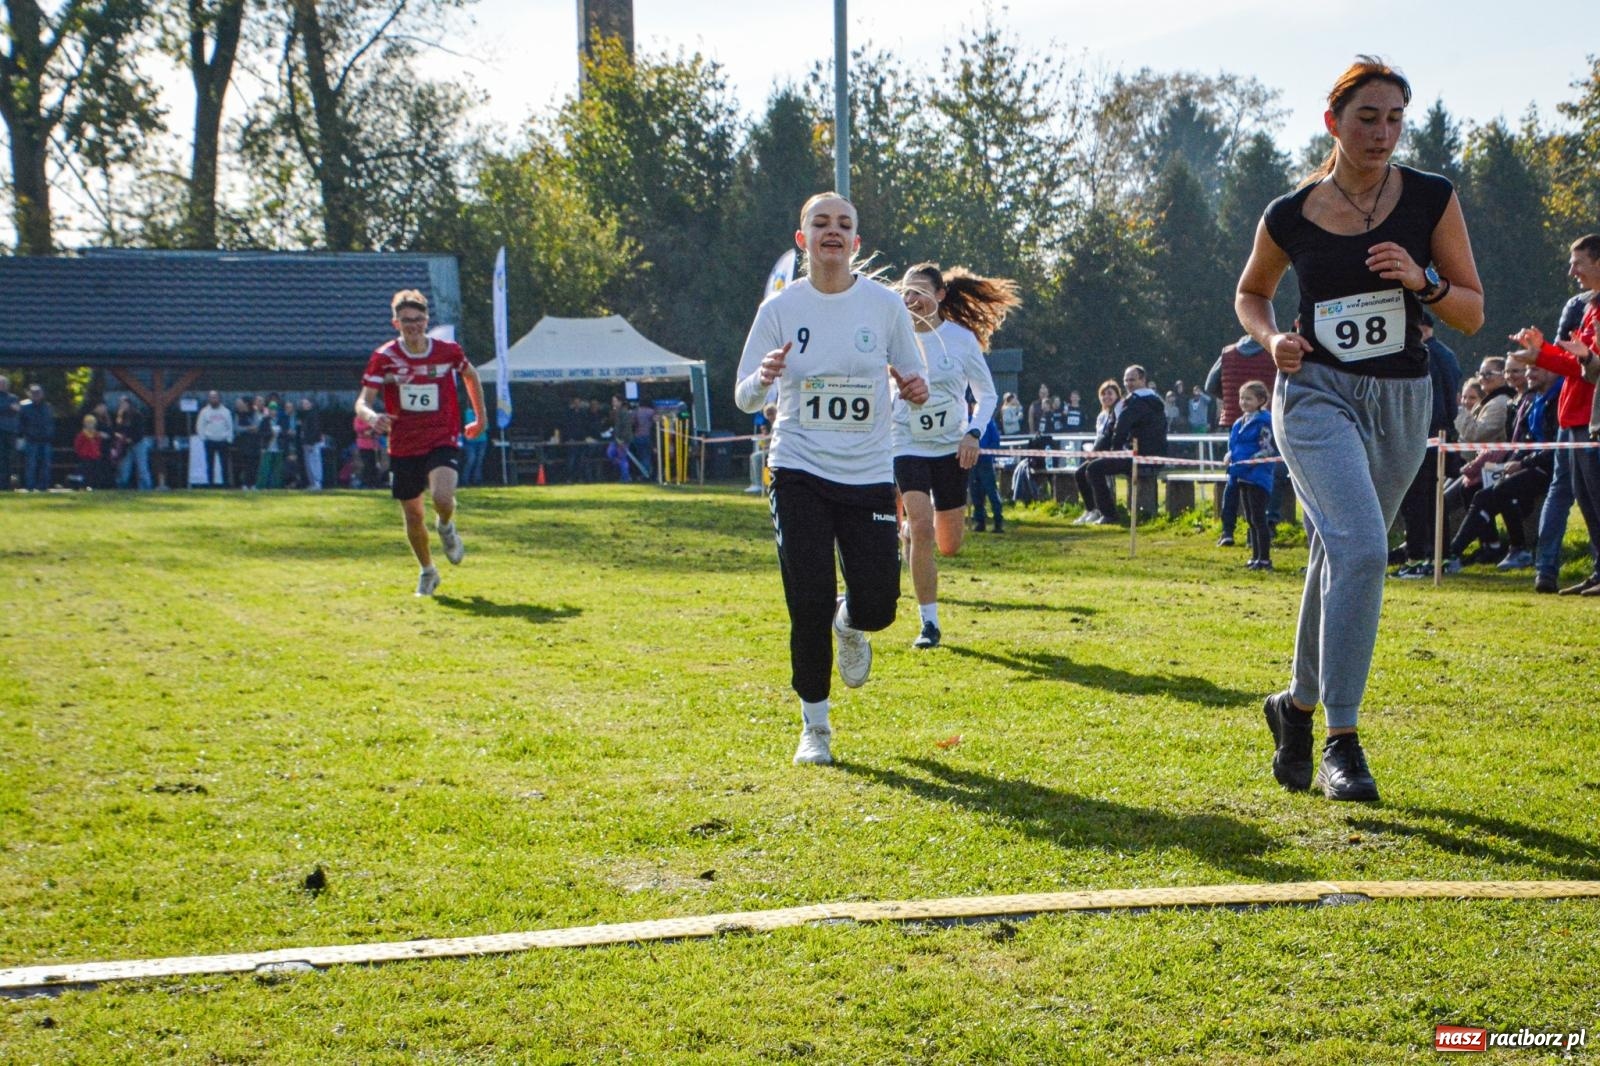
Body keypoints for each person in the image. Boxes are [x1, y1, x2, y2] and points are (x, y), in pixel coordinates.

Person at [1236, 56, 1483, 802]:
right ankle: (1343, 739)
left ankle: (1296, 709)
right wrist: (1272, 339)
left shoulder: (1432, 199)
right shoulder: (1290, 212)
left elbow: (1470, 311)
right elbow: (1252, 292)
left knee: (1336, 552)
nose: (1382, 133)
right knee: (1362, 546)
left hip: (1402, 398)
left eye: (1394, 118)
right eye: (1367, 117)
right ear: (1332, 122)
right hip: (1315, 395)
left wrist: (1422, 281)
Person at [733, 191, 928, 766]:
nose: (832, 232)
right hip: (798, 470)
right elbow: (744, 396)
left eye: (844, 224)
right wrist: (765, 377)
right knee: (807, 597)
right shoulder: (780, 310)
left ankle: (852, 623)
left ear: (856, 242)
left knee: (878, 606)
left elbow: (912, 377)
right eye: (821, 223)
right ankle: (814, 726)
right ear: (804, 240)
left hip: (868, 473)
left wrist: (914, 389)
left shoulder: (884, 307)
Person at [893, 261, 1016, 650]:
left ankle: (912, 531)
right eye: (906, 292)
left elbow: (987, 394)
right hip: (906, 442)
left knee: (949, 544)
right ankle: (929, 624)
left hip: (950, 447)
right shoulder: (892, 337)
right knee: (923, 526)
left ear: (940, 295)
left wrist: (973, 434)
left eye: (919, 292)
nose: (911, 299)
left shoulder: (960, 339)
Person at [356, 290, 486, 596]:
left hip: (442, 435)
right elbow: (362, 402)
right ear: (395, 323)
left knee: (443, 496)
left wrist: (480, 419)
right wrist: (372, 417)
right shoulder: (384, 357)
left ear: (426, 320)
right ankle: (428, 571)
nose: (412, 326)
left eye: (417, 320)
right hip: (404, 443)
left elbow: (471, 376)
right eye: (406, 321)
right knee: (413, 514)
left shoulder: (447, 351)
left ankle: (446, 526)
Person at [1512, 234, 1600, 595]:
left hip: (1590, 416)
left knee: (1595, 497)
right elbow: (1577, 362)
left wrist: (1550, 355)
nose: (1571, 271)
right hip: (1575, 416)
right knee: (1586, 498)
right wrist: (1541, 354)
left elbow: (1588, 365)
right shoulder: (1589, 307)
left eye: (1577, 262)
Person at [1389, 311, 1464, 574]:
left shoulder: (1420, 354)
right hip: (1441, 432)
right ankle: (1441, 556)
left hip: (1421, 433)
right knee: (1435, 500)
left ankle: (1416, 558)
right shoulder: (1447, 354)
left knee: (1414, 499)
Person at [1075, 365, 1168, 525]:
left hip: (1140, 455)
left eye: (1132, 380)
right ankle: (1093, 510)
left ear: (1143, 380)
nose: (1128, 384)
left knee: (1093, 469)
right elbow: (1113, 430)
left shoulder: (1135, 402)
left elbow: (1120, 429)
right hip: (1142, 453)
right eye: (1126, 380)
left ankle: (1109, 514)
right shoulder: (1153, 400)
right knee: (1084, 470)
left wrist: (1114, 452)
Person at [1227, 381, 1277, 570]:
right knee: (1249, 519)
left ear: (1261, 400)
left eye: (1248, 398)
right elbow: (1235, 445)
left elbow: (1267, 448)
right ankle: (1255, 557)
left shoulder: (1264, 422)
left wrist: (1251, 459)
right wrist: (1230, 455)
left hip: (1258, 475)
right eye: (1242, 398)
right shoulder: (1240, 422)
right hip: (1242, 475)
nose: (1244, 402)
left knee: (1259, 518)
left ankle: (1264, 559)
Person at [1072, 379, 1122, 524]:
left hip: (1112, 453)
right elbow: (1099, 437)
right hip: (1098, 452)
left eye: (1110, 394)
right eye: (1103, 394)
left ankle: (1107, 511)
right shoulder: (1101, 416)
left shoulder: (1119, 412)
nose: (1106, 397)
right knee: (1079, 473)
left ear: (1117, 395)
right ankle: (1091, 509)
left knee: (1092, 471)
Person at [969, 414, 1004, 533]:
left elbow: (995, 440)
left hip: (985, 462)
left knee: (991, 492)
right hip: (972, 462)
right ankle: (980, 522)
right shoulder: (968, 420)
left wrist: (988, 454)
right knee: (975, 493)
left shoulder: (988, 422)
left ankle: (998, 521)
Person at [195, 391, 234, 487]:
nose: (213, 399)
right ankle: (210, 484)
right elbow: (200, 426)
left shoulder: (226, 412)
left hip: (223, 441)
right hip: (210, 441)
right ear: (209, 399)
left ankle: (225, 484)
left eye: (215, 397)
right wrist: (203, 437)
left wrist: (229, 439)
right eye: (211, 397)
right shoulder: (204, 412)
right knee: (209, 464)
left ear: (219, 398)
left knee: (224, 464)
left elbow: (230, 426)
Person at [113, 396, 153, 490]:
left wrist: (131, 439)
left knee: (142, 467)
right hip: (126, 445)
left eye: (124, 403)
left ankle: (145, 488)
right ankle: (122, 487)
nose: (122, 405)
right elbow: (118, 430)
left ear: (129, 404)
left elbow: (140, 431)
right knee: (124, 467)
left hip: (139, 443)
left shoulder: (137, 415)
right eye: (121, 403)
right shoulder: (120, 417)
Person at [19, 384, 54, 491]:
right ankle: (30, 486)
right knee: (31, 465)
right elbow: (21, 423)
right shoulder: (25, 407)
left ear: (42, 394)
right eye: (34, 393)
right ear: (30, 394)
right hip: (31, 440)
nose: (36, 395)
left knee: (45, 465)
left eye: (38, 393)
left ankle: (43, 486)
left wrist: (50, 433)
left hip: (45, 440)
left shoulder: (47, 407)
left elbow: (50, 422)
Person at [297, 398, 325, 490]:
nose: (304, 405)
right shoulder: (306, 416)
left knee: (314, 463)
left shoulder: (313, 415)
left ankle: (317, 483)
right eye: (303, 404)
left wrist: (310, 442)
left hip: (312, 443)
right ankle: (314, 483)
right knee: (310, 463)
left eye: (306, 403)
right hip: (308, 442)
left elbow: (314, 430)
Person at [73, 414, 103, 489]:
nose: (90, 425)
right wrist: (81, 453)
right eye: (88, 423)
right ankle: (83, 486)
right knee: (85, 473)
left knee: (94, 473)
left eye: (92, 423)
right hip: (85, 457)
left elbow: (98, 444)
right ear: (85, 424)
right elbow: (77, 446)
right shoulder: (81, 435)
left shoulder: (96, 434)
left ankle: (93, 486)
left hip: (95, 457)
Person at [0, 375, 18, 490]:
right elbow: (10, 409)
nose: (3, 386)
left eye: (4, 384)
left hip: (10, 432)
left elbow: (17, 409)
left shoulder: (13, 397)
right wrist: (8, 408)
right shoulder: (11, 401)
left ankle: (6, 485)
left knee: (8, 459)